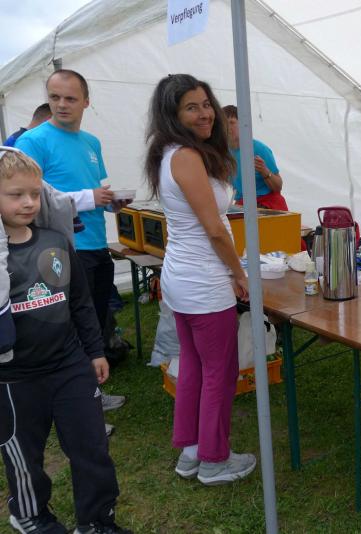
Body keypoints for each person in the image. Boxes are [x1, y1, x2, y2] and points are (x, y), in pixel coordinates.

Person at [0, 147, 131, 534]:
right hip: (15, 377)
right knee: (24, 454)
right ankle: (30, 515)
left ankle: (97, 520)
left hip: (70, 365)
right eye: (16, 195)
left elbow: (80, 303)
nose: (28, 202)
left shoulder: (55, 240)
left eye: (34, 193)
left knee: (92, 446)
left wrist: (94, 351)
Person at [144, 74, 256, 485]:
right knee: (219, 373)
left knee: (193, 365)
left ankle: (191, 452)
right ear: (172, 115)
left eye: (206, 104)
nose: (205, 113)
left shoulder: (170, 153)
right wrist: (239, 273)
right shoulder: (186, 157)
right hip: (204, 283)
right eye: (192, 107)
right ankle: (214, 460)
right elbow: (214, 229)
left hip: (183, 278)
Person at [15, 70, 127, 417]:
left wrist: (109, 201)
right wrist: (89, 197)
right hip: (59, 248)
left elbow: (94, 188)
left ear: (86, 102)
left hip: (96, 243)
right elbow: (28, 199)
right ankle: (78, 401)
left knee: (94, 320)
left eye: (70, 98)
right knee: (69, 327)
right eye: (55, 97)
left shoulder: (91, 143)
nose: (61, 104)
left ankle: (90, 391)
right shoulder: (32, 141)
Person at [222, 105, 288, 211]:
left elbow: (278, 187)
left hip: (268, 205)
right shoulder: (224, 153)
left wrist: (264, 171)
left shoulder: (259, 149)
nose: (227, 127)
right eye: (223, 123)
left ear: (242, 124)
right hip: (242, 205)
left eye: (231, 122)